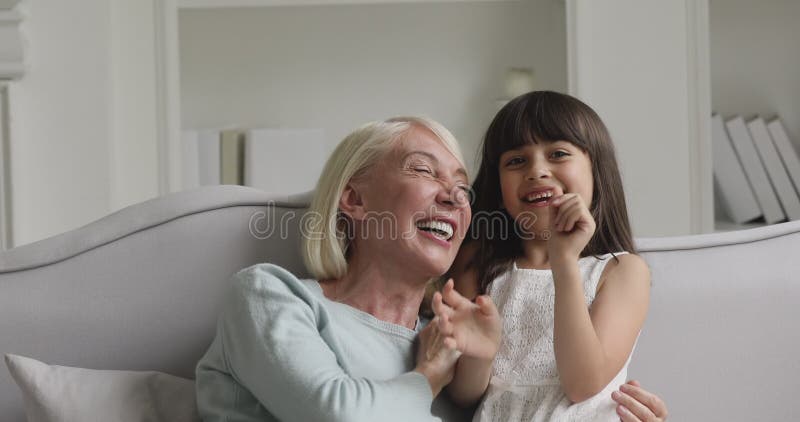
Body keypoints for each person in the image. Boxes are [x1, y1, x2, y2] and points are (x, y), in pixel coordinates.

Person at [195, 115, 668, 421]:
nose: (452, 196)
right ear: (355, 200)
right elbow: (336, 416)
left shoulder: (455, 343)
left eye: (463, 188)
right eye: (423, 171)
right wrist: (428, 377)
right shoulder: (270, 296)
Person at [433, 91, 663, 421]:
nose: (537, 170)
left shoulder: (622, 270)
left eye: (557, 153)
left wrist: (564, 260)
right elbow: (462, 395)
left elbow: (583, 384)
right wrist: (480, 356)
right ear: (498, 187)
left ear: (596, 172)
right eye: (515, 161)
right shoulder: (476, 263)